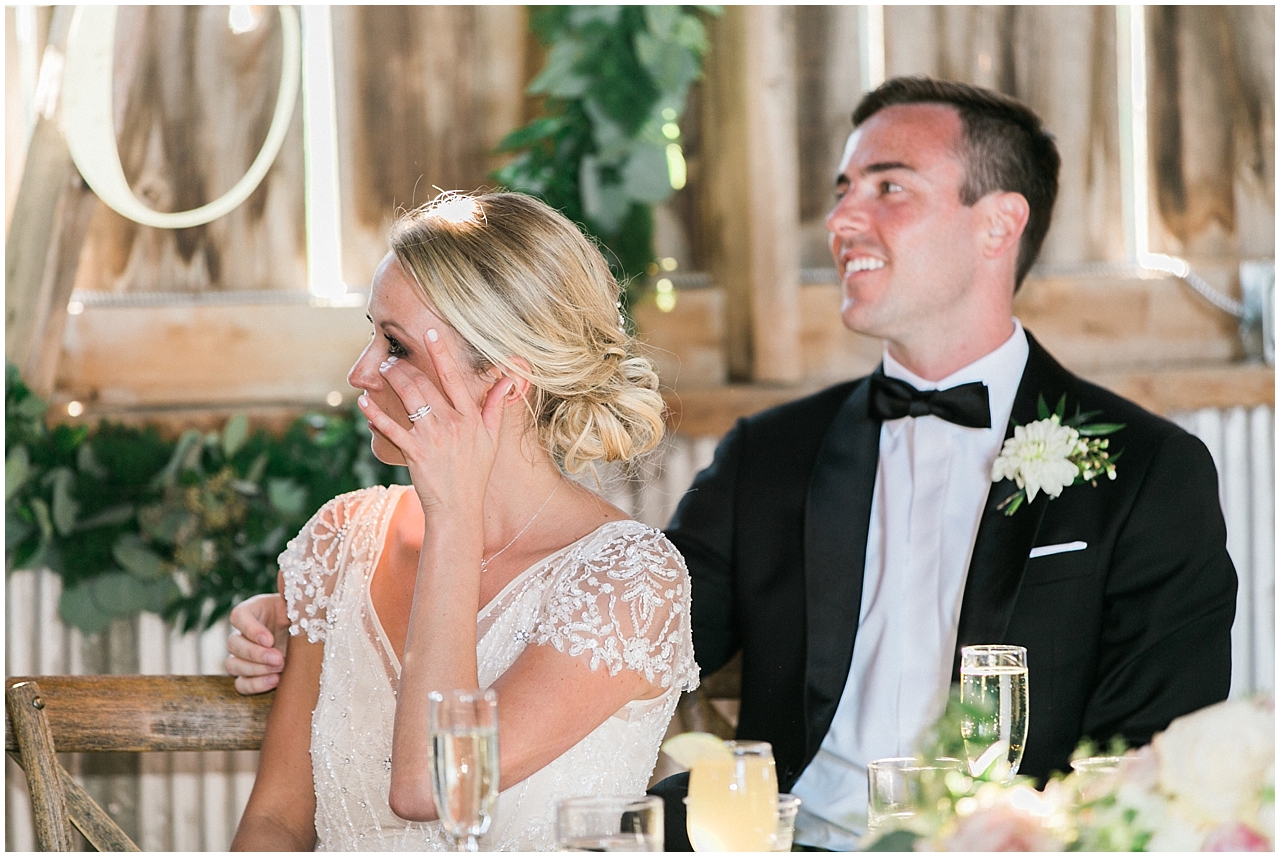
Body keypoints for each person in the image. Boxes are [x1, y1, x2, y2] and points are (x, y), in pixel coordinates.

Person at [229, 79, 1238, 849]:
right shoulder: (773, 456)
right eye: (841, 190)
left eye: (888, 188)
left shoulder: (1151, 472)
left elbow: (1152, 751)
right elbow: (615, 608)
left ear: (998, 224)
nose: (843, 219)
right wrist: (318, 614)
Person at [228, 191, 698, 851]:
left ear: (505, 380)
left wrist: (452, 514)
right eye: (372, 334)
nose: (361, 373)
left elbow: (432, 787)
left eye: (396, 346)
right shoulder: (342, 540)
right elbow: (275, 820)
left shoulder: (628, 580)